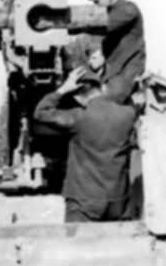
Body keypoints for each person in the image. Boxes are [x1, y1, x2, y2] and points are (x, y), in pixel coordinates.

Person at [33, 66, 138, 222]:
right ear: (102, 88)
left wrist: (63, 89)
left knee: (77, 246)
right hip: (117, 201)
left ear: (77, 97)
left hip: (83, 202)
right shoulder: (128, 114)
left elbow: (41, 112)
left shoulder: (79, 118)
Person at [83, 0, 146, 104]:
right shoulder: (110, 10)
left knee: (109, 101)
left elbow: (105, 27)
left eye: (97, 1)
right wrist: (101, 54)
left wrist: (70, 26)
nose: (96, 5)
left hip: (128, 66)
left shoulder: (128, 9)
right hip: (114, 66)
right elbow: (112, 38)